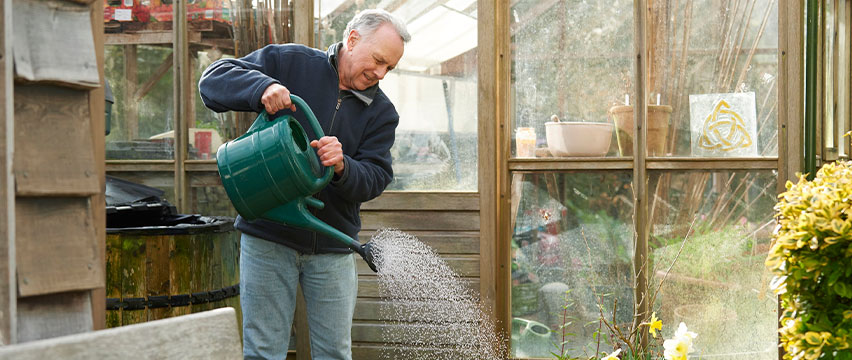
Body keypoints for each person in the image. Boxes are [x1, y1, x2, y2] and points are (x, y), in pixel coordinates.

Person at [199, 9, 410, 360]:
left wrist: (343, 166)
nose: (381, 73)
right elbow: (212, 81)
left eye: (390, 67)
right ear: (353, 39)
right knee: (263, 351)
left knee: (335, 354)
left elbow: (376, 177)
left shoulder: (382, 113)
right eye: (378, 60)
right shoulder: (291, 62)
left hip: (331, 247)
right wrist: (262, 86)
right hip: (268, 235)